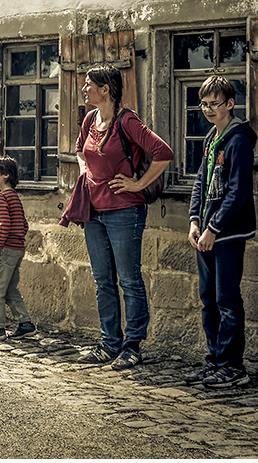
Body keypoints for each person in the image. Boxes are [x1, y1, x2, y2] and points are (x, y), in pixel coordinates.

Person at [75, 64, 173, 370]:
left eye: (89, 84)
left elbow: (164, 152)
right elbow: (80, 151)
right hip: (94, 210)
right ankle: (109, 343)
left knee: (129, 280)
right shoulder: (90, 119)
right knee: (103, 280)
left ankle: (132, 346)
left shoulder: (127, 121)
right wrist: (87, 176)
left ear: (106, 89)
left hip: (124, 211)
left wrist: (138, 184)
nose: (83, 89)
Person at [185, 76, 256, 388]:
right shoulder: (210, 139)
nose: (208, 109)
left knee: (227, 301)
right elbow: (201, 183)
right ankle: (214, 360)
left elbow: (238, 190)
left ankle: (232, 367)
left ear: (230, 104)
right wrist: (194, 221)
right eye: (204, 104)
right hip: (204, 234)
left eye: (215, 103)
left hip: (226, 235)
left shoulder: (238, 140)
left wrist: (213, 228)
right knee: (208, 301)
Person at [0, 155, 36, 340]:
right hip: (17, 249)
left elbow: (3, 224)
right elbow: (24, 224)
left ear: (5, 175)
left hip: (4, 251)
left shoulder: (1, 197)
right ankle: (25, 324)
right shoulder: (14, 197)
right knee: (11, 289)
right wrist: (18, 241)